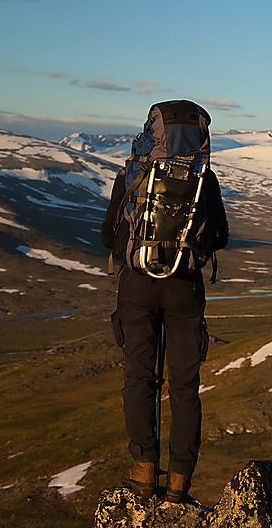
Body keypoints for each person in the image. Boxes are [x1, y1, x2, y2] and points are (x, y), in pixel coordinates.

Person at [101, 101, 229, 502]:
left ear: (152, 134)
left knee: (140, 379)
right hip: (184, 288)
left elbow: (109, 235)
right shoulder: (202, 180)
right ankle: (179, 481)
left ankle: (142, 470)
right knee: (185, 386)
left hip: (138, 286)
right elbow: (220, 235)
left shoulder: (134, 173)